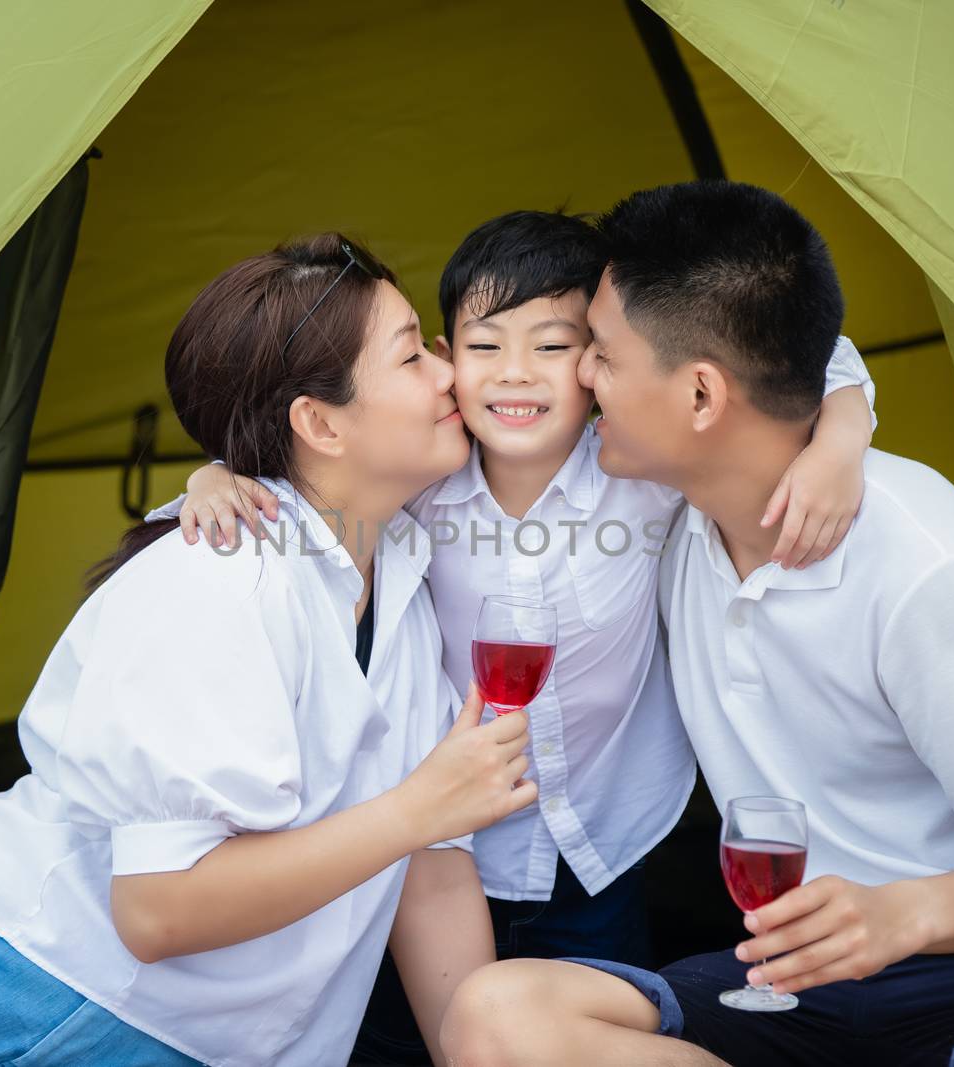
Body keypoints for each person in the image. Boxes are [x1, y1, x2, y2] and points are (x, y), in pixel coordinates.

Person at [0, 235, 537, 1067]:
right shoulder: (219, 579)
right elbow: (157, 906)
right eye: (412, 355)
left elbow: (429, 869)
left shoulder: (406, 588)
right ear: (321, 423)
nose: (452, 372)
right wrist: (416, 810)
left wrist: (480, 1042)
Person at [438, 182, 954, 1067]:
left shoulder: (923, 565)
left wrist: (900, 912)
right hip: (792, 978)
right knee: (496, 1016)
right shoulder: (666, 520)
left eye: (602, 356)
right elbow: (801, 351)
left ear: (701, 397)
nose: (579, 374)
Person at [171, 210, 877, 1061]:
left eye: (552, 347)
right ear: (442, 359)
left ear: (597, 364)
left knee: (595, 1034)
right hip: (439, 858)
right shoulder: (420, 480)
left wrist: (843, 434)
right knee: (423, 1039)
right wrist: (215, 472)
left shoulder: (641, 475)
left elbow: (803, 349)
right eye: (485, 346)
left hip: (604, 847)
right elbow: (308, 467)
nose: (517, 375)